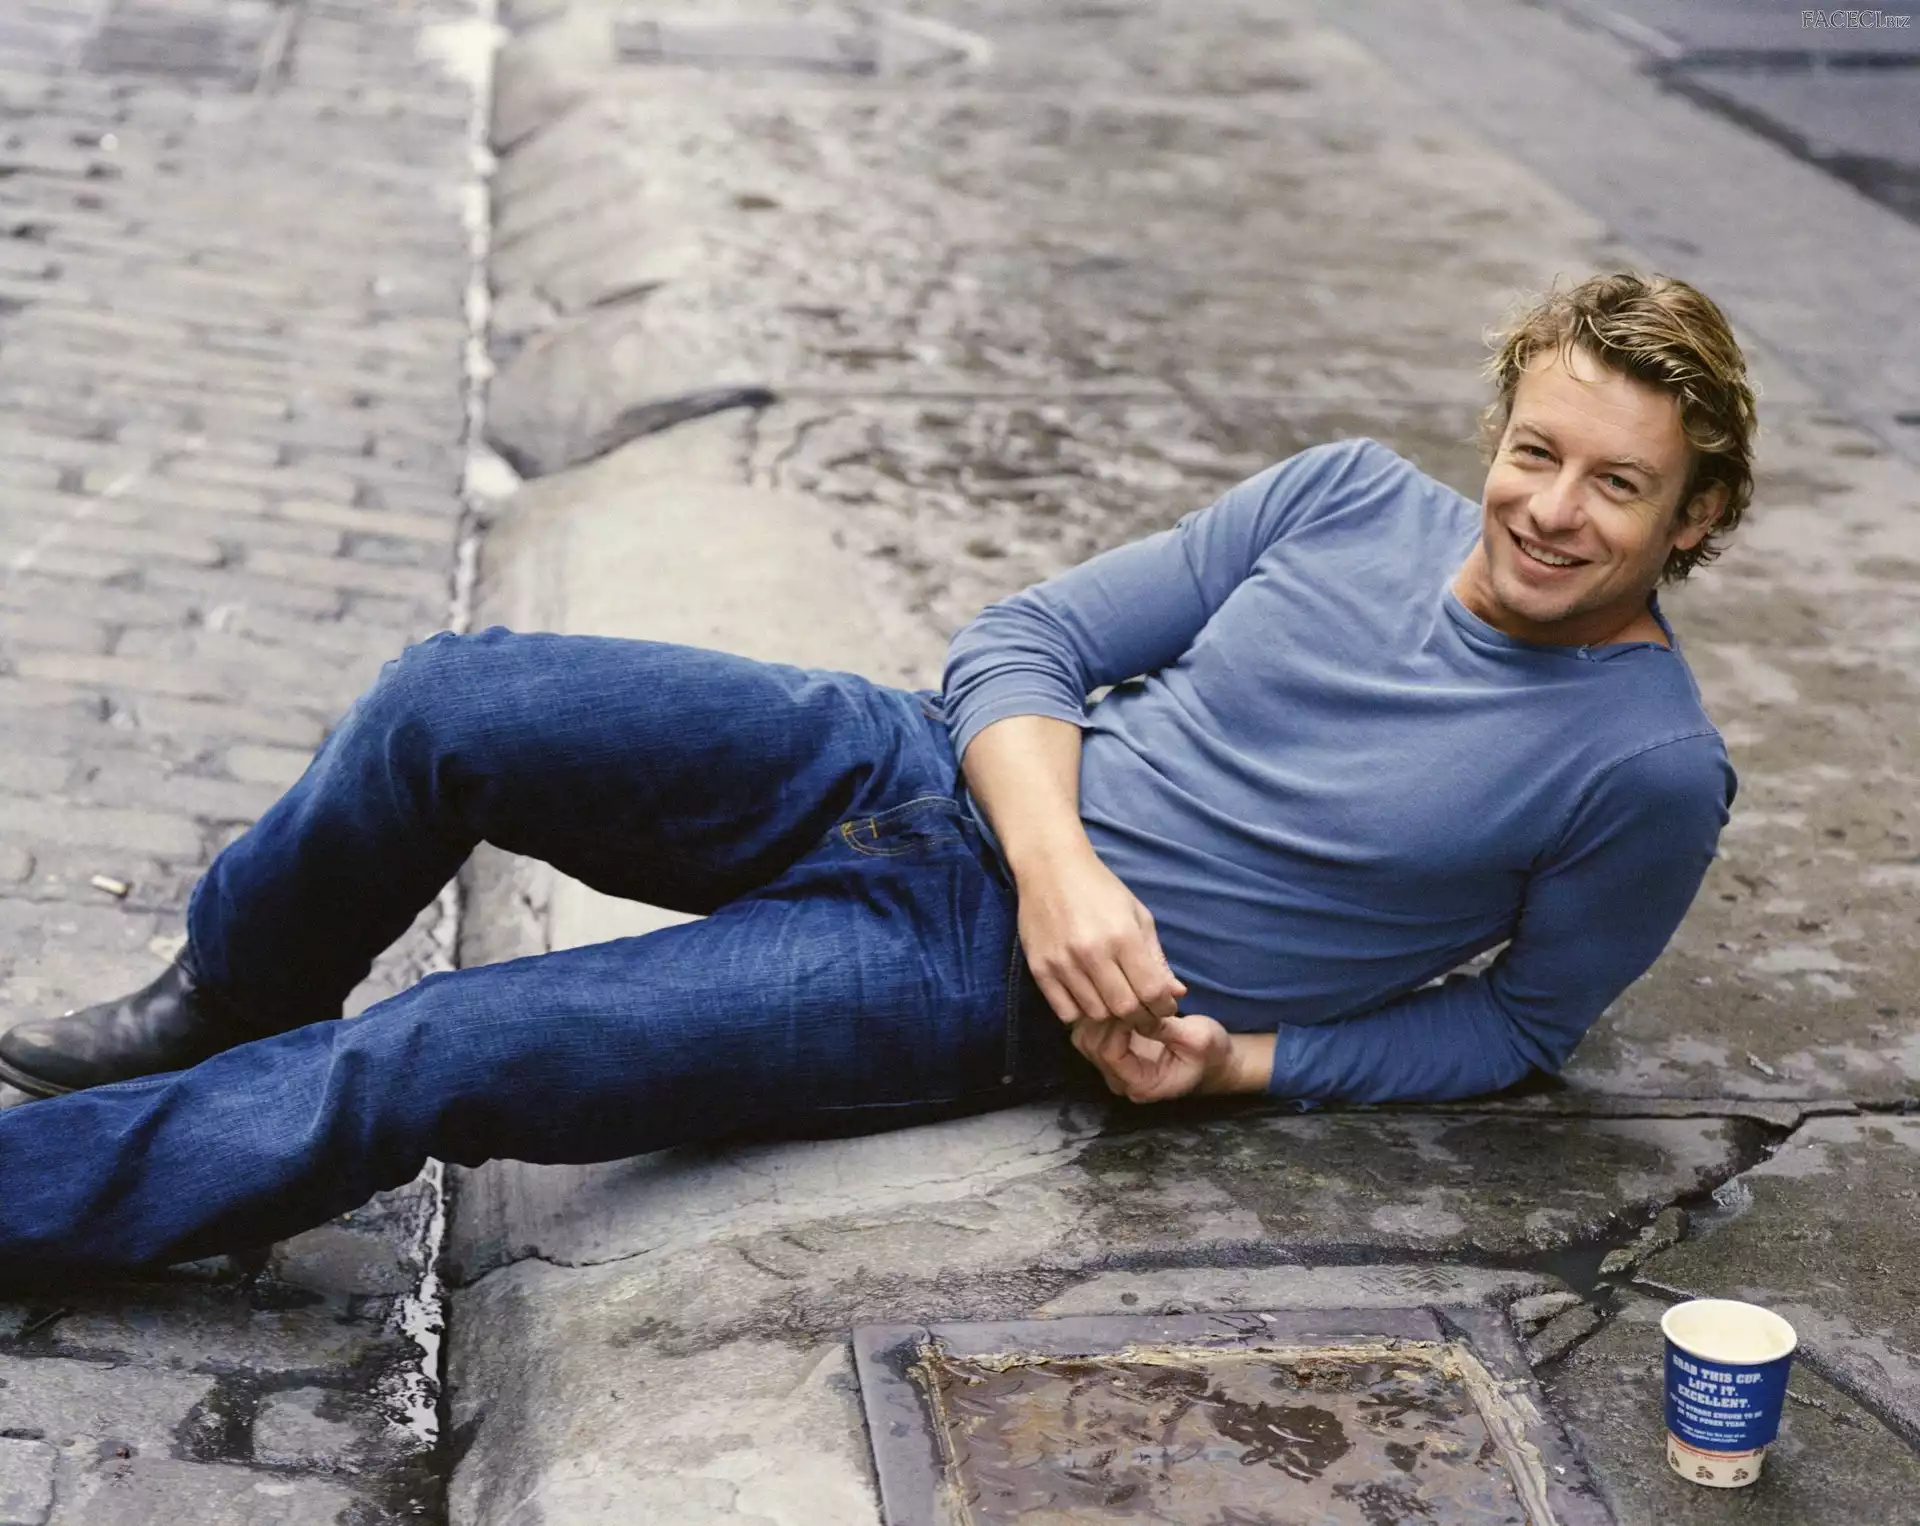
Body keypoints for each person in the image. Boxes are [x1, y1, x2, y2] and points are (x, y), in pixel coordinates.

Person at [0, 269, 1753, 1279]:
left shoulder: (1650, 766)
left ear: (1697, 515)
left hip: (965, 987)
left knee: (434, 1052)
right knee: (446, 700)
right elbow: (1022, 645)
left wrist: (1236, 1065)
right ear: (1498, 427)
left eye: (1617, 484)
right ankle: (227, 995)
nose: (1551, 509)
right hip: (915, 763)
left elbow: (1518, 1026)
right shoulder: (1347, 495)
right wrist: (1063, 864)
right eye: (1537, 450)